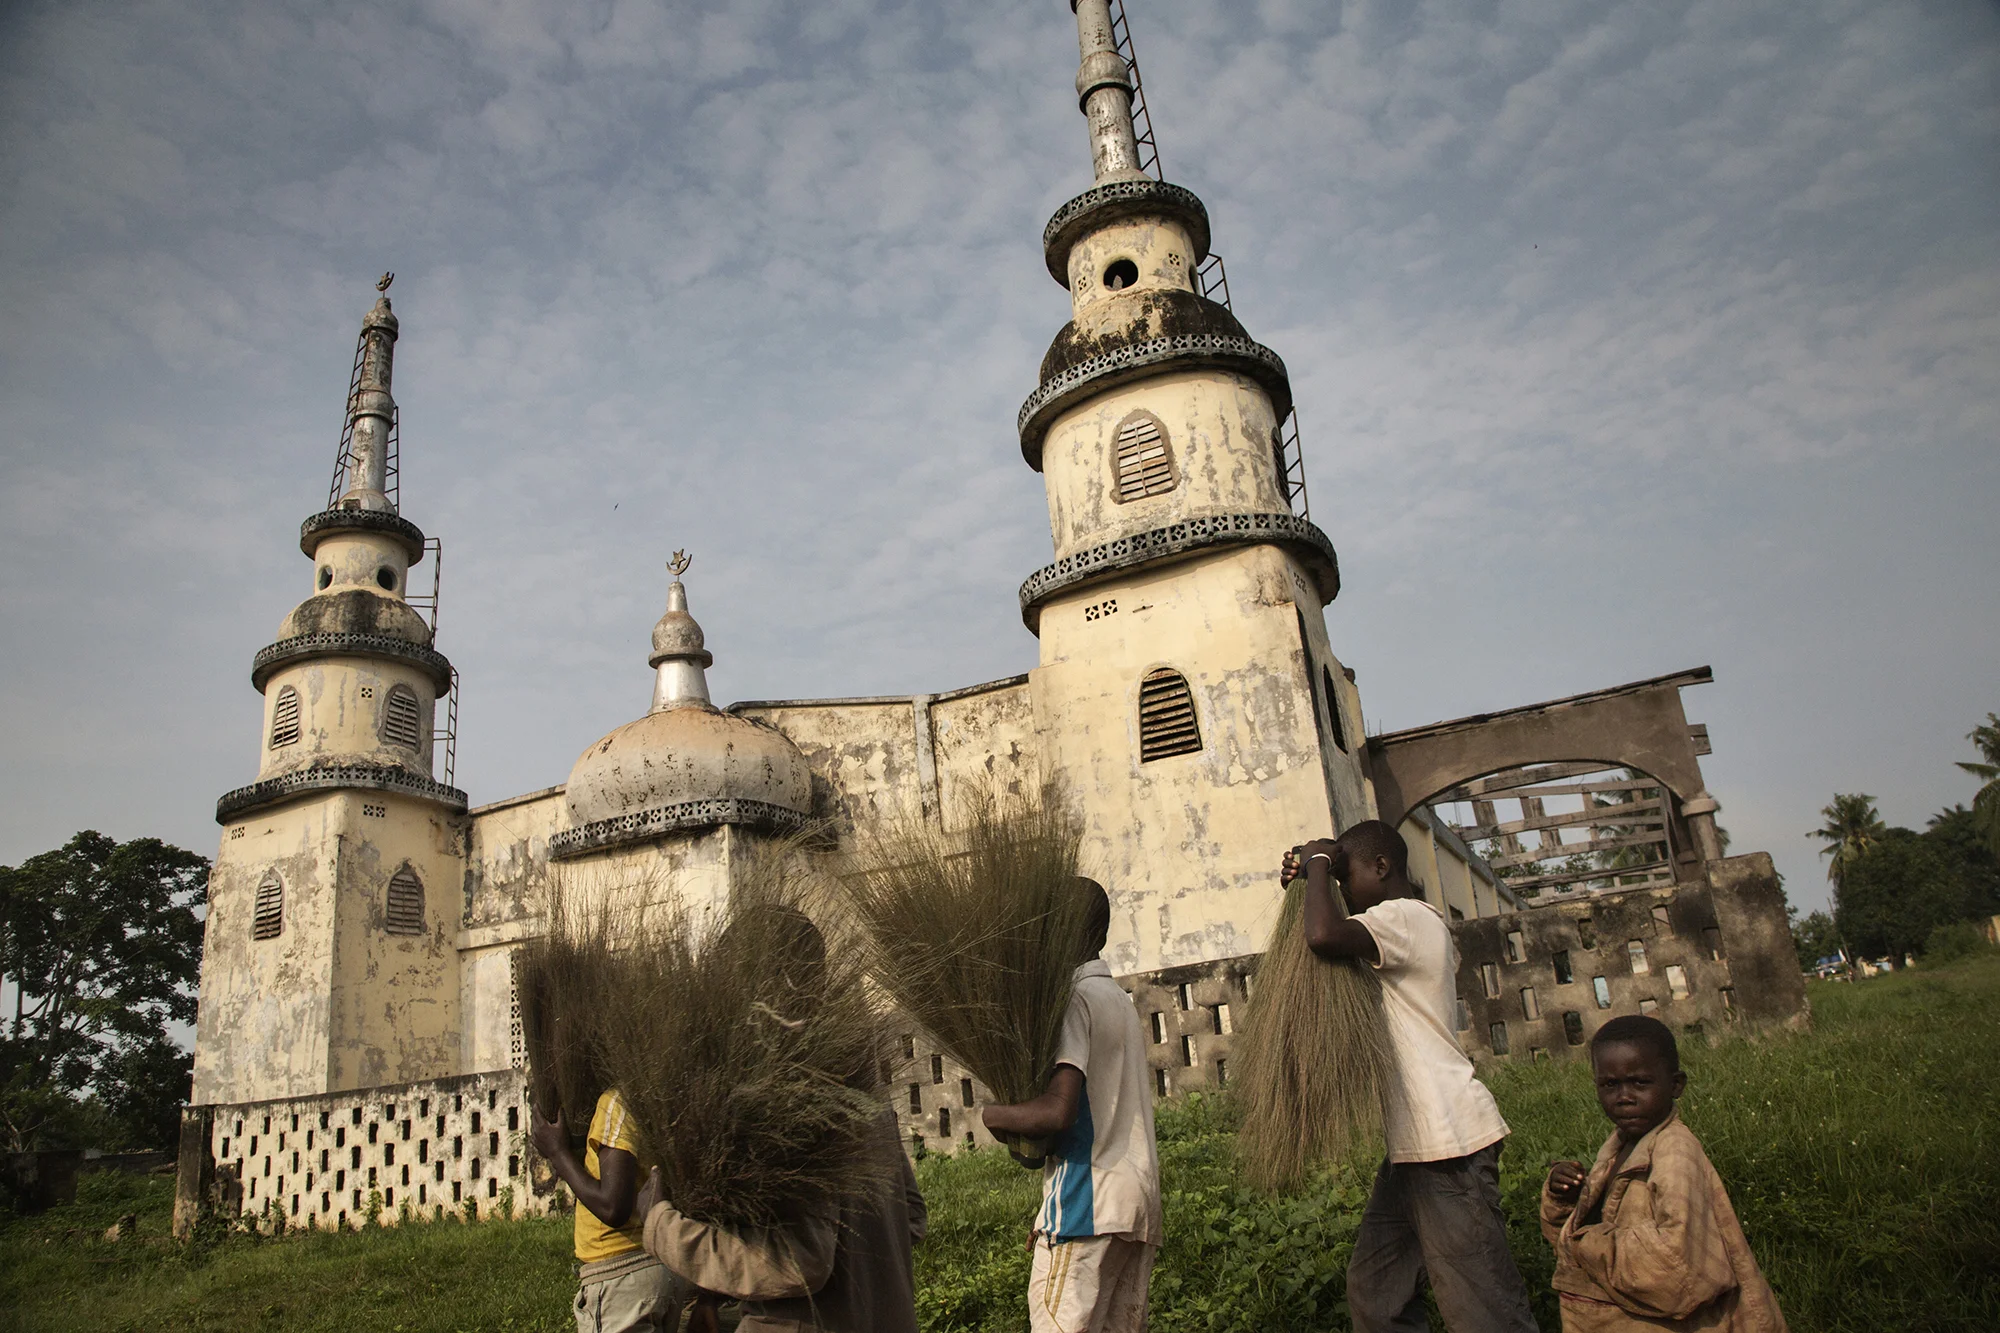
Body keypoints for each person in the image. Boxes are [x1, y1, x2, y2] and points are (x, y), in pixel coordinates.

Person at [1281, 820, 1538, 1333]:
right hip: (1414, 1152)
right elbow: (1321, 932)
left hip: (1449, 1146)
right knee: (1376, 1290)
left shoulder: (1404, 918)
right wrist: (1307, 878)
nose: (1344, 892)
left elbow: (1323, 934)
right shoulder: (1390, 932)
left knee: (1482, 1307)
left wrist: (1316, 864)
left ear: (1382, 867)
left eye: (1347, 878)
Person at [632, 907, 929, 1333]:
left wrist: (662, 1226)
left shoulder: (781, 1107)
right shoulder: (862, 1096)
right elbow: (912, 1219)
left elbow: (798, 1265)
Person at [981, 877, 1162, 1333]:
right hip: (1134, 1206)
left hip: (1088, 1204)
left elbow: (1058, 1111)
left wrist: (991, 1114)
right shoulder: (1116, 1000)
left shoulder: (1073, 999)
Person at [1541, 1016, 1788, 1332]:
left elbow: (1676, 1270)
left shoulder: (1675, 1151)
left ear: (1676, 1085)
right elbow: (1566, 1239)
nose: (1625, 1096)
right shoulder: (1618, 1146)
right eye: (1610, 1084)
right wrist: (1563, 1198)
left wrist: (1583, 1241)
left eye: (1640, 1082)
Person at [532, 1088, 691, 1333]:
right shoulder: (663, 1094)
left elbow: (613, 1207)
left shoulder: (618, 1101)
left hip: (622, 1279)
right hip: (662, 1266)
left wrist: (558, 1153)